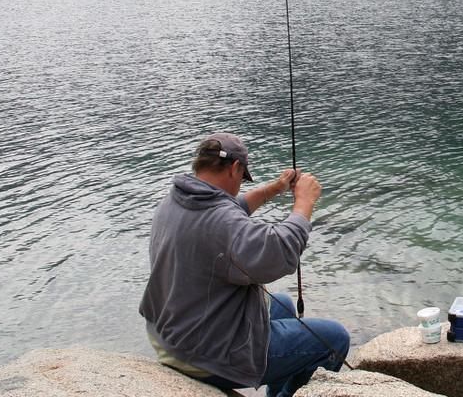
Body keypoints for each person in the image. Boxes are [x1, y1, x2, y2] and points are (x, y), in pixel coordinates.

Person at [139, 132, 350, 397]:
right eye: (241, 177)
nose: (240, 184)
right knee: (335, 338)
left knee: (282, 303)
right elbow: (278, 254)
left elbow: (231, 208)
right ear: (235, 167)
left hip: (171, 335)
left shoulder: (177, 200)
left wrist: (275, 188)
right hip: (206, 355)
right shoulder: (221, 221)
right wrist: (304, 203)